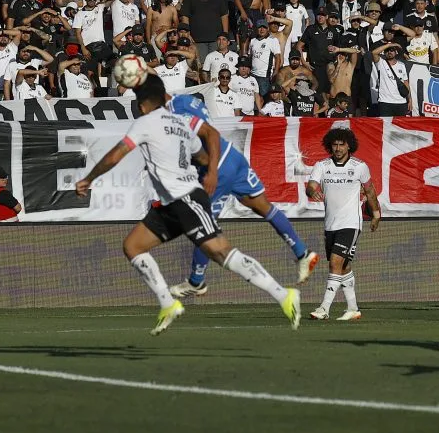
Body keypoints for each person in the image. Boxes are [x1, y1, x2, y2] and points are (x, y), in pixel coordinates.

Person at [76, 75, 300, 335]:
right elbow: (202, 154)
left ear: (143, 103)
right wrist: (200, 167)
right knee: (133, 246)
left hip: (187, 199)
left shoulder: (145, 122)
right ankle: (168, 304)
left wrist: (89, 178)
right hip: (171, 203)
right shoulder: (182, 122)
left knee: (220, 252)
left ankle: (284, 295)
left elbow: (118, 153)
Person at [165, 92, 320, 297]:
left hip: (216, 168)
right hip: (232, 156)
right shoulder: (183, 101)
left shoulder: (173, 117)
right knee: (263, 206)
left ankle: (196, 280)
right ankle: (302, 252)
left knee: (203, 226)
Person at [306, 127, 381, 321]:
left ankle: (324, 308)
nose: (338, 148)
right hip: (330, 224)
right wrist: (311, 191)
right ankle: (353, 308)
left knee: (335, 262)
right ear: (330, 146)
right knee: (344, 266)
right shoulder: (322, 165)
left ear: (349, 146)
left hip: (350, 223)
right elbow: (311, 186)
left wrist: (376, 214)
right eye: (335, 144)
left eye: (342, 144)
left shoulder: (359, 166)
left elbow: (370, 191)